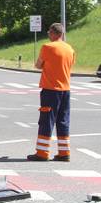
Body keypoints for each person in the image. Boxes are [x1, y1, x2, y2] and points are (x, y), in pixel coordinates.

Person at [27, 23, 76, 161]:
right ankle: (64, 153)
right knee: (63, 121)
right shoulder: (70, 49)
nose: (48, 34)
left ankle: (42, 153)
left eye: (49, 32)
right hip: (66, 90)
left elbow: (38, 65)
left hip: (50, 89)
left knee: (46, 120)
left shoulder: (47, 47)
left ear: (54, 33)